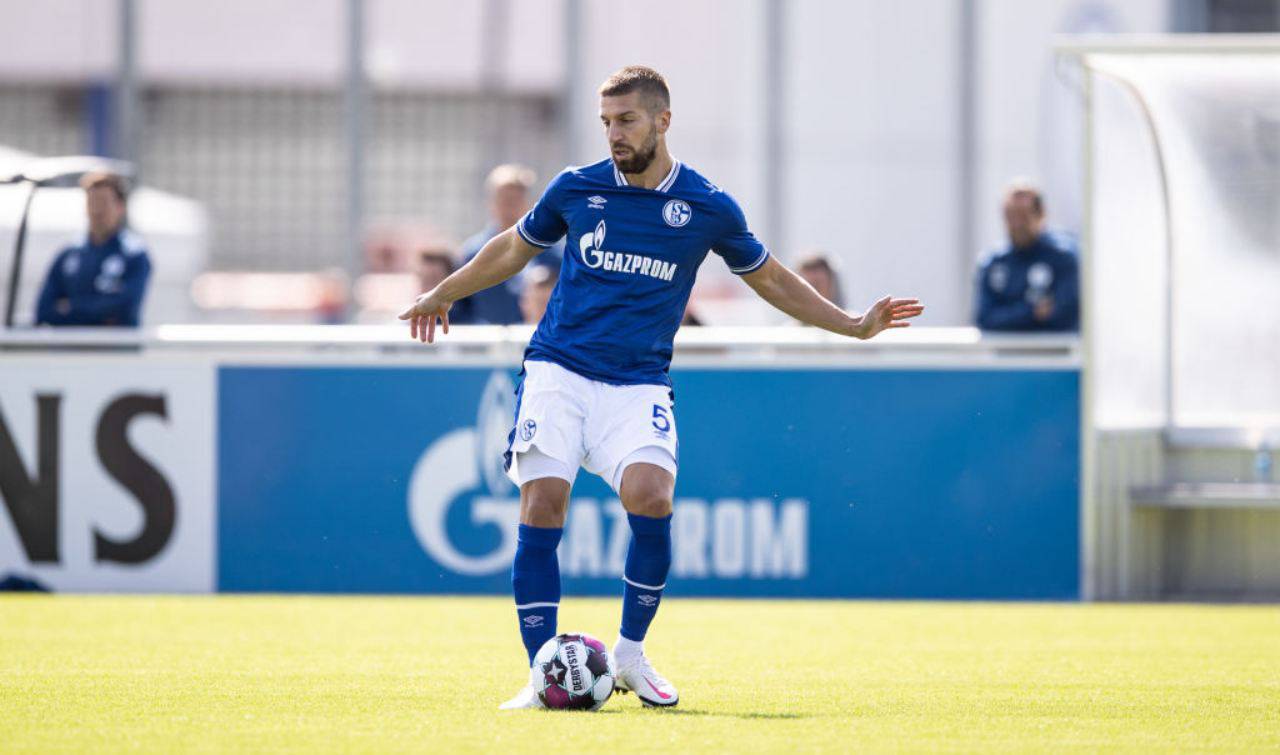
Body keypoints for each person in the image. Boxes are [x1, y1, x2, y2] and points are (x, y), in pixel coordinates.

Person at [398, 65, 923, 710]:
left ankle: (629, 655)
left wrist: (851, 325)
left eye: (626, 121)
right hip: (559, 368)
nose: (614, 135)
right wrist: (442, 292)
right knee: (543, 504)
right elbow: (512, 249)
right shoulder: (577, 188)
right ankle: (543, 674)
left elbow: (771, 278)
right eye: (606, 122)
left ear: (662, 121)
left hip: (638, 380)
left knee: (652, 497)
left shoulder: (706, 205)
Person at [449, 164, 563, 325]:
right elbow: (459, 311)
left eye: (515, 200)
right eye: (504, 200)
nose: (509, 207)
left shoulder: (552, 255)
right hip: (488, 345)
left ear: (528, 203)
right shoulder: (472, 254)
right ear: (491, 202)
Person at [35, 172, 151, 327]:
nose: (97, 211)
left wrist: (70, 308)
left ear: (120, 207)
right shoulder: (69, 253)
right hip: (70, 348)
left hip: (115, 349)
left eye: (103, 202)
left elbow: (125, 308)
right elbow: (44, 310)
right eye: (92, 202)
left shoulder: (134, 254)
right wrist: (98, 311)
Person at [975, 182, 1079, 331]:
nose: (1017, 224)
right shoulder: (993, 262)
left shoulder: (1064, 258)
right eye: (1010, 216)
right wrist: (1032, 311)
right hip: (1008, 353)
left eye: (1023, 216)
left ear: (1041, 215)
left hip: (1053, 353)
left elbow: (1063, 316)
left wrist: (1010, 315)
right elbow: (984, 319)